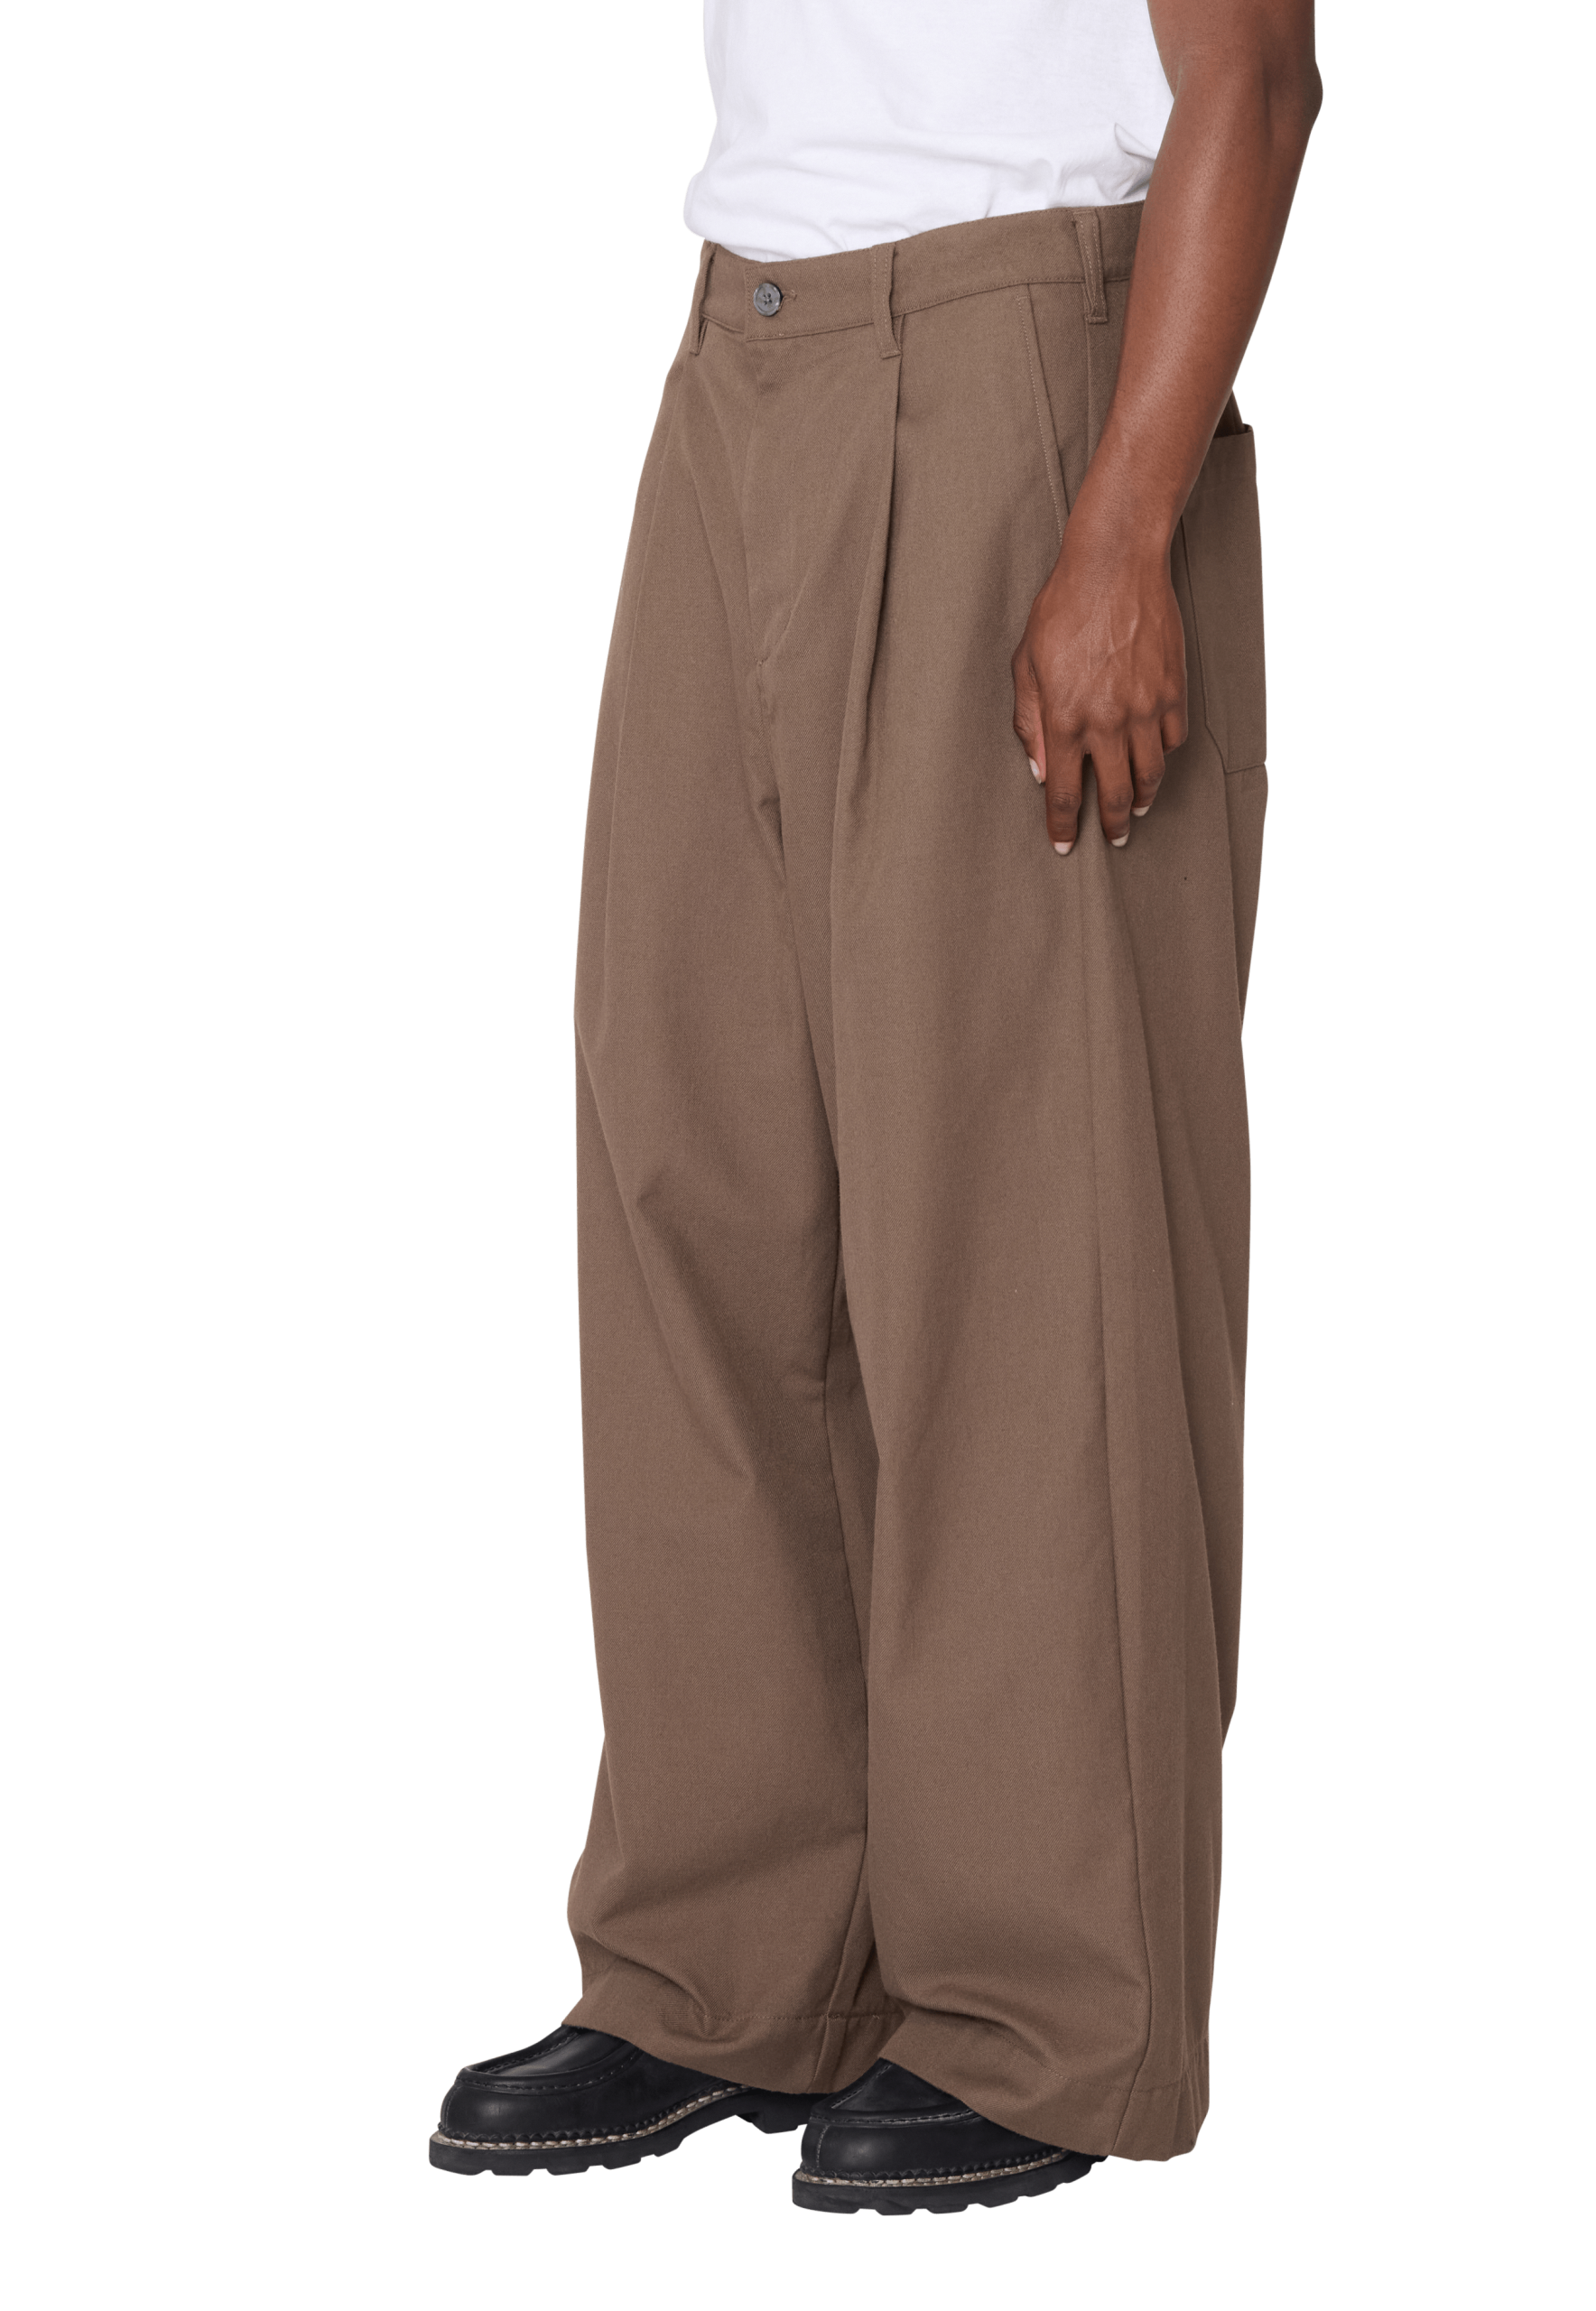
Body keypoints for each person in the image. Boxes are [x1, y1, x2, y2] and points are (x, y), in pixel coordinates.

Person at [430, 0, 1322, 2214]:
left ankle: (1046, 2005)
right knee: (694, 1182)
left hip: (1034, 358)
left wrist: (1127, 521)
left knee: (1018, 1223)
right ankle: (725, 1958)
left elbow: (1252, 71)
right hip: (736, 346)